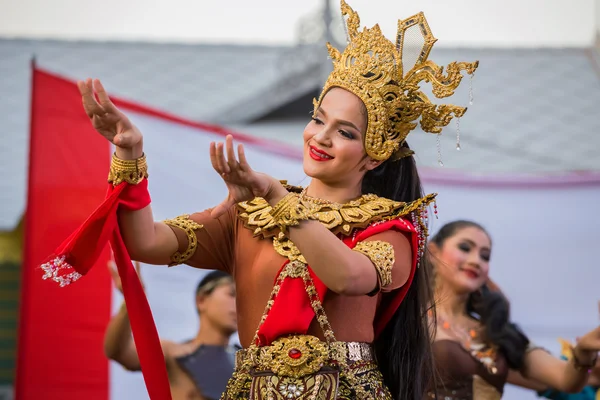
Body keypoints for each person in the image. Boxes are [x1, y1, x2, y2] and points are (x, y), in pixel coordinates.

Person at [40, 1, 479, 399]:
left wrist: (277, 199)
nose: (320, 137)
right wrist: (128, 153)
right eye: (317, 119)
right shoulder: (250, 215)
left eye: (345, 132)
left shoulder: (391, 228)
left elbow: (347, 276)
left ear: (374, 153)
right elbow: (146, 242)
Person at [427, 220, 600, 399]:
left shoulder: (497, 332)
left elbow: (566, 380)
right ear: (433, 251)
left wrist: (583, 352)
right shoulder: (412, 320)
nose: (476, 261)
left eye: (485, 256)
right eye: (465, 248)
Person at [104, 261, 238, 400]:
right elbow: (119, 351)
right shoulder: (172, 353)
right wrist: (131, 300)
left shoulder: (249, 361)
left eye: (243, 299)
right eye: (232, 294)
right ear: (201, 300)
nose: (239, 304)